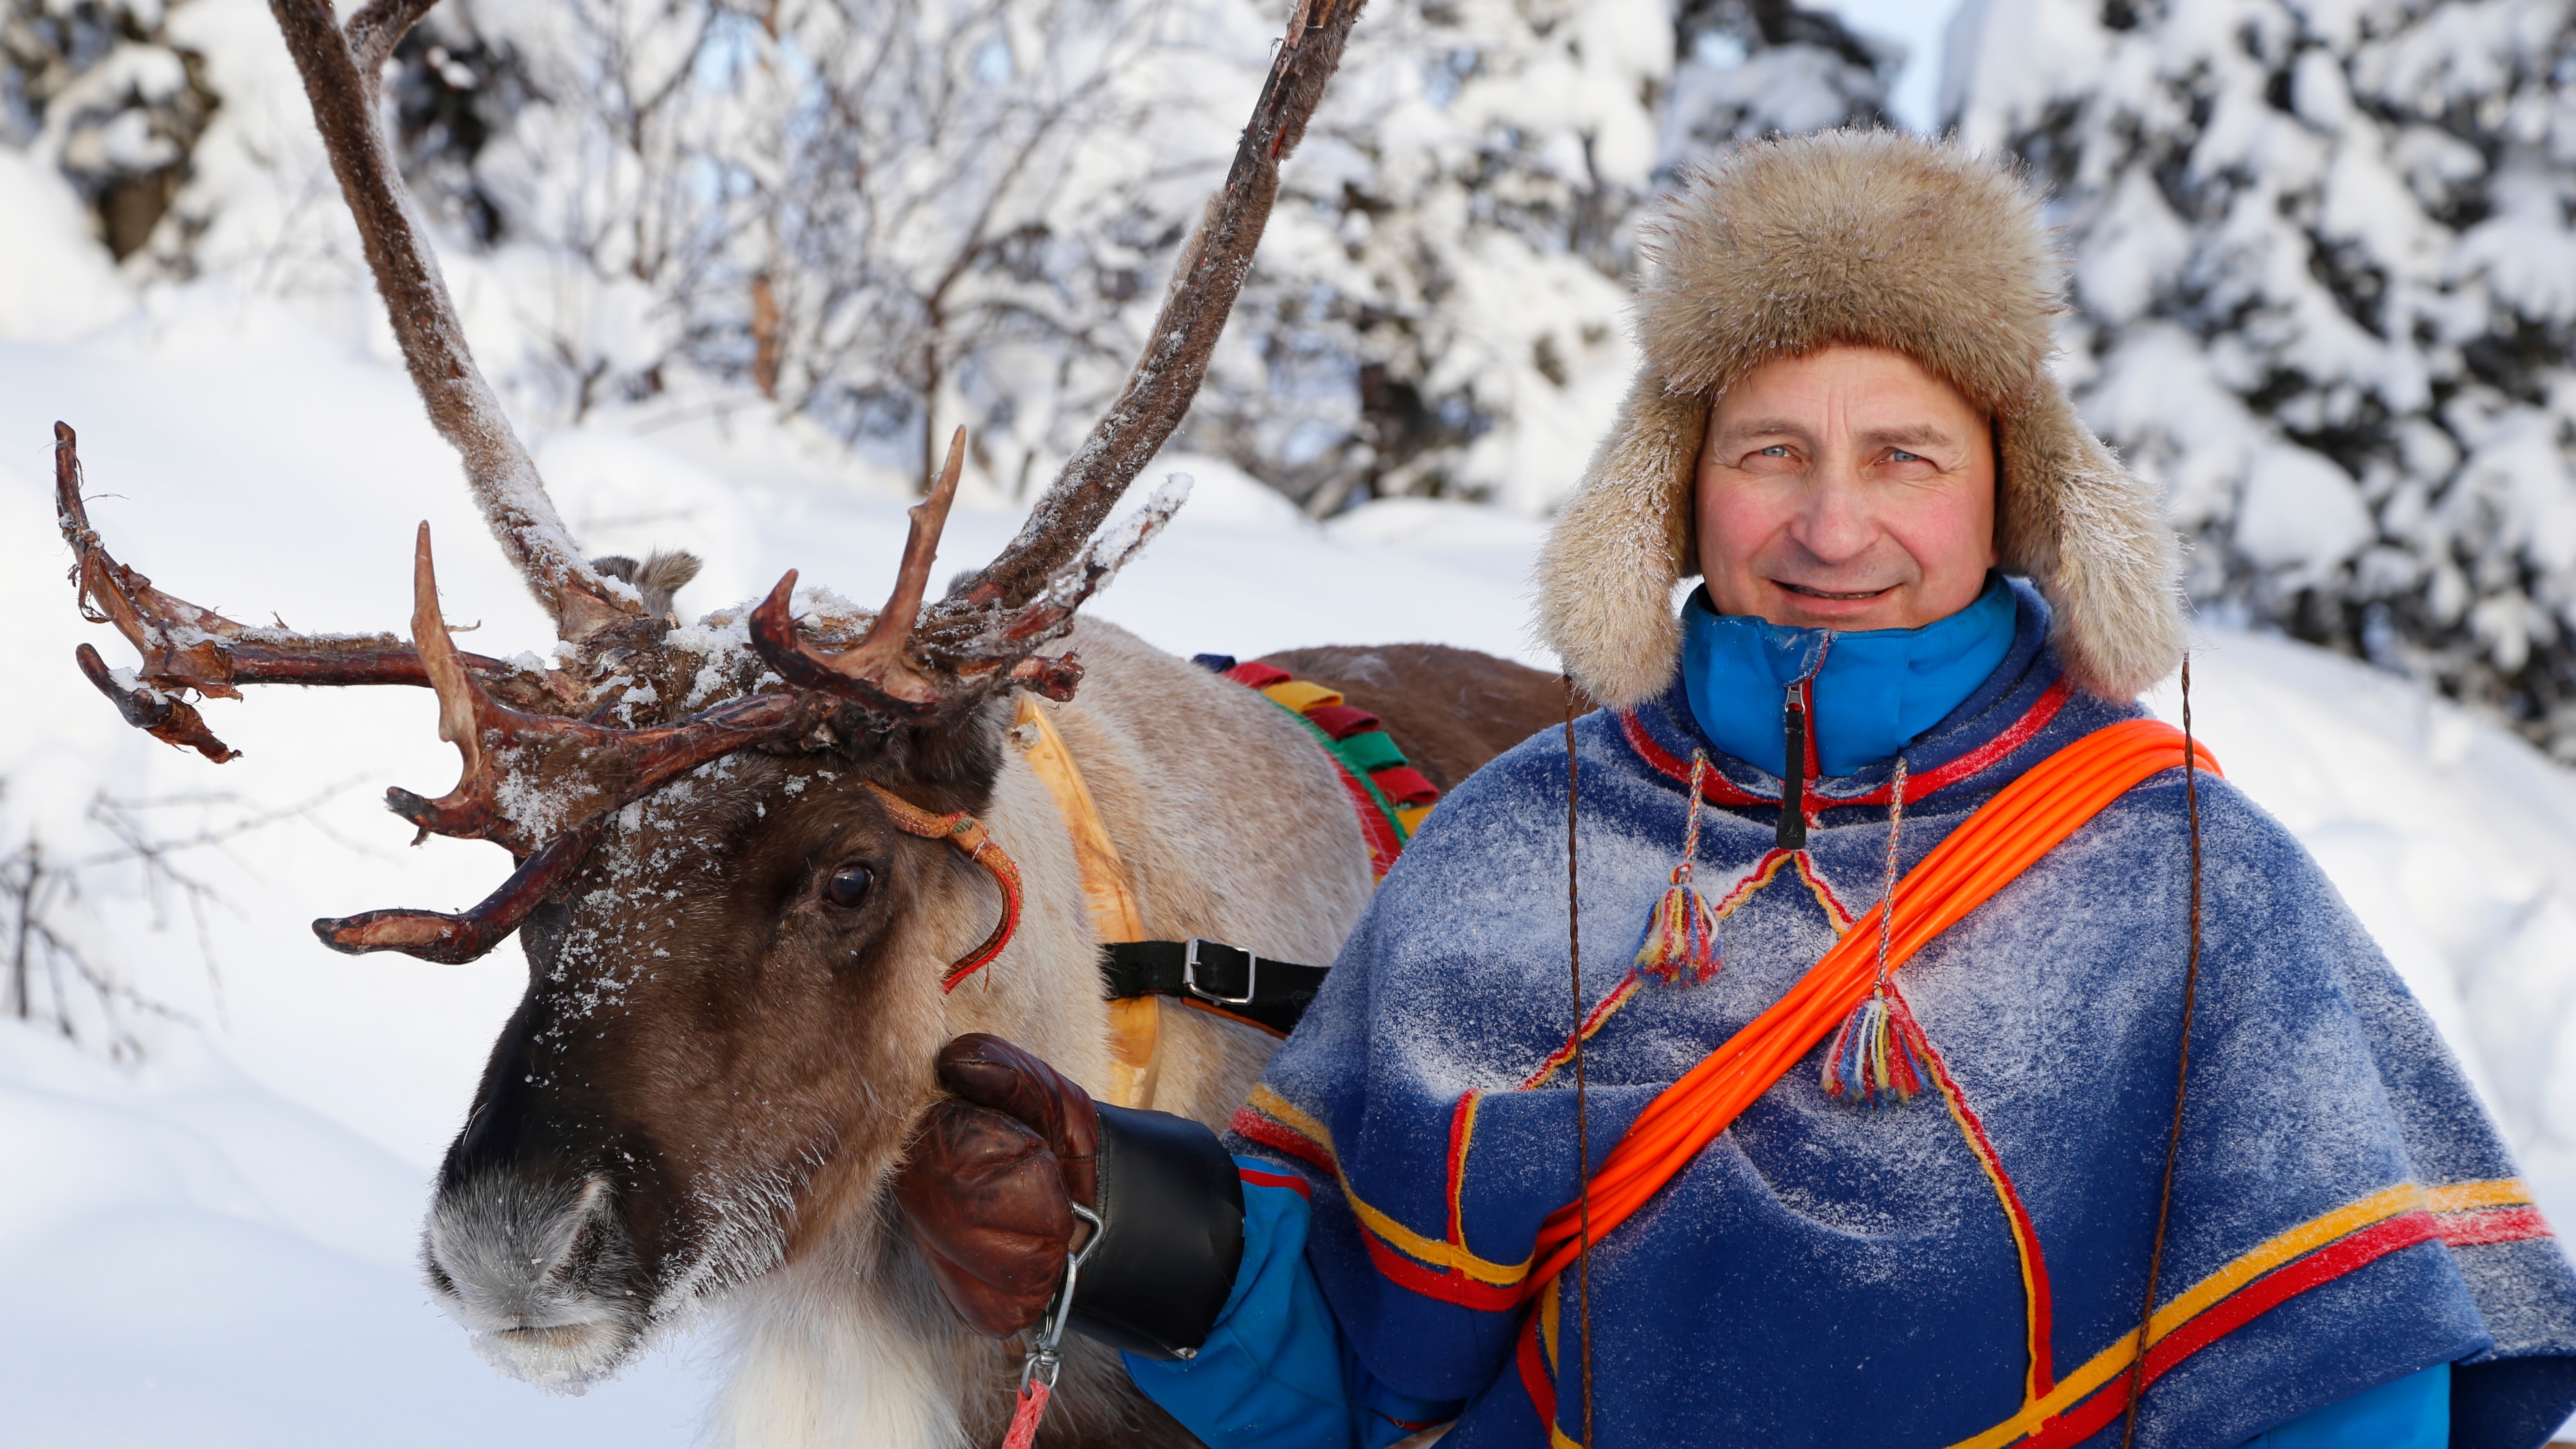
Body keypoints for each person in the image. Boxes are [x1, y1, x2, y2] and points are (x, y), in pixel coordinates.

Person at [893, 130, 2576, 1447]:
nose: (1832, 527)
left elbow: (2342, 1387)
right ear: (1678, 495)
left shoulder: (2187, 881)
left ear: (2015, 499)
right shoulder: (1512, 848)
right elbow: (1348, 1371)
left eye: (1904, 458)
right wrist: (1112, 1233)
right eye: (1773, 453)